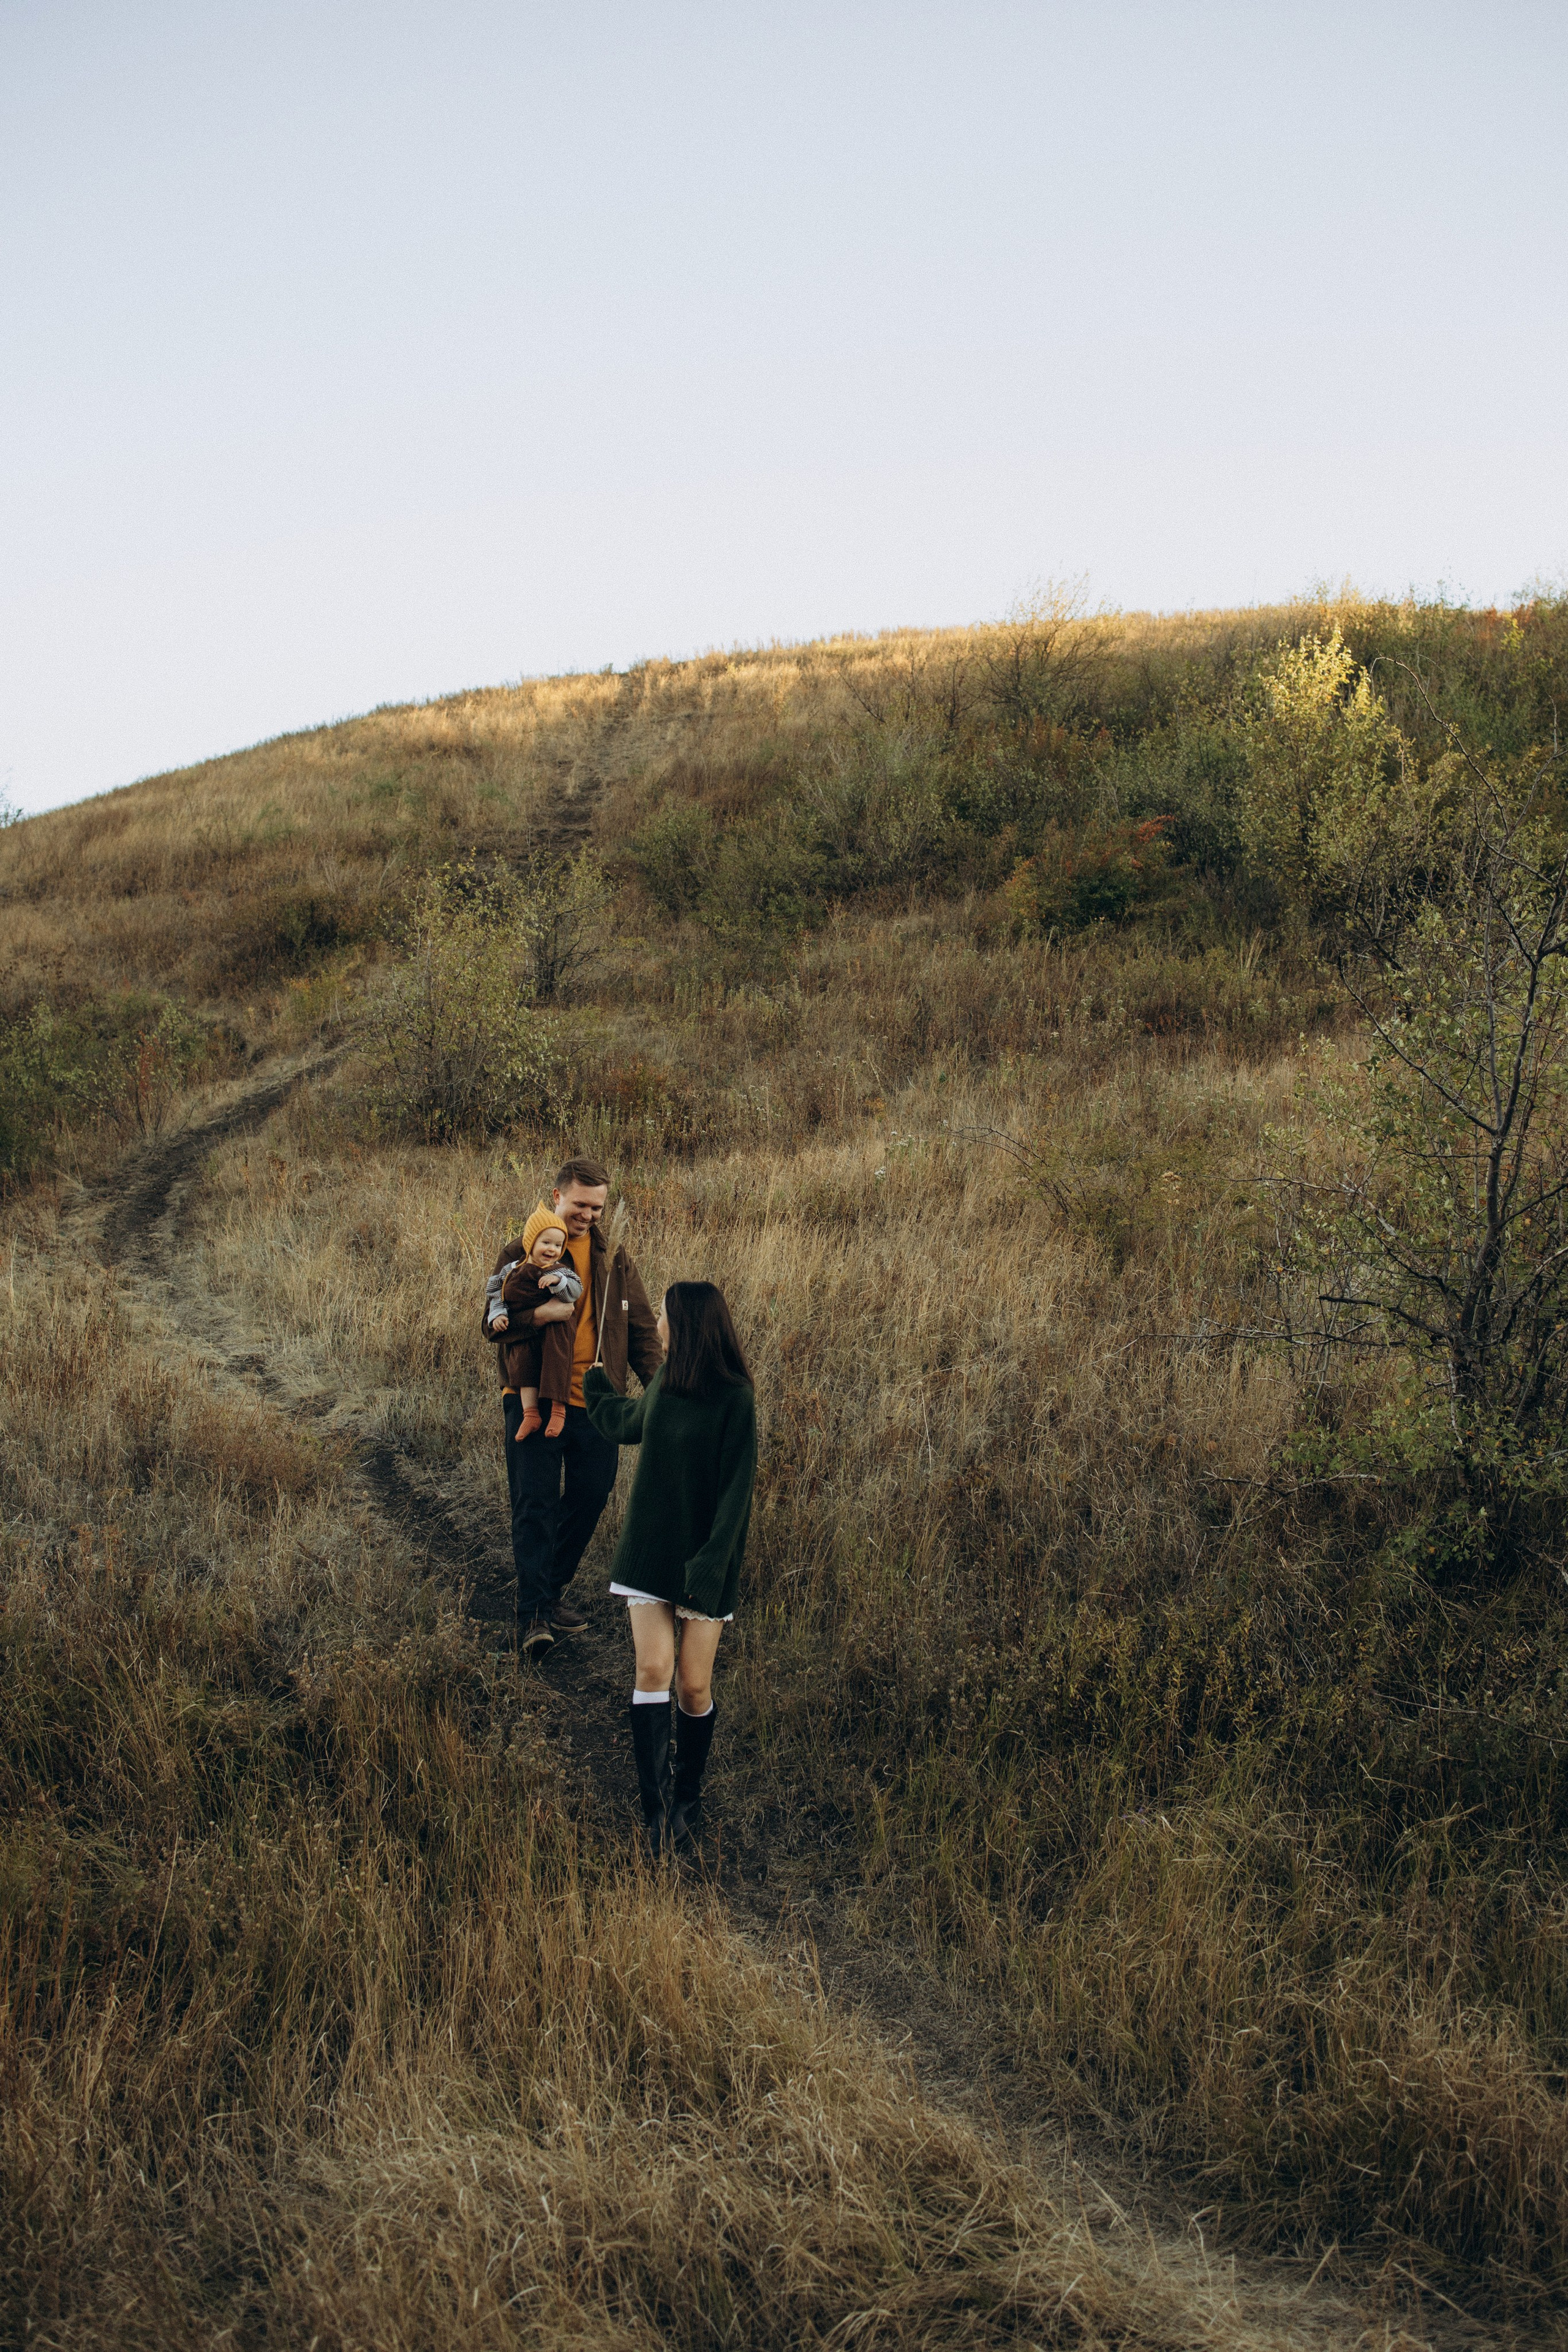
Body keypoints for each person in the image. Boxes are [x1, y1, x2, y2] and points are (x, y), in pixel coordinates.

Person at [585, 1280, 756, 1853]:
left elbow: (738, 1494)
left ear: (685, 1323)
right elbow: (629, 1423)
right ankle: (655, 1809)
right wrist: (595, 1390)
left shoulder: (735, 1397)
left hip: (706, 1561)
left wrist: (710, 1566)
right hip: (648, 1552)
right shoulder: (665, 1381)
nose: (656, 1322)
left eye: (662, 1314)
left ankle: (689, 1796)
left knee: (693, 1682)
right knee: (654, 1672)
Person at [493, 1155, 662, 1656]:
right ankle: (533, 1618)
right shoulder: (521, 1252)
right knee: (535, 1505)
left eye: (597, 1207)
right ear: (557, 1199)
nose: (588, 1215)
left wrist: (664, 1392)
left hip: (597, 1402)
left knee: (591, 1495)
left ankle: (549, 1590)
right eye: (580, 1205)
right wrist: (540, 1314)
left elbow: (644, 1335)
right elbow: (493, 1320)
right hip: (534, 1399)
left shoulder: (615, 1260)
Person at [482, 1207, 582, 1441]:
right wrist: (498, 1314)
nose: (552, 1250)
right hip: (525, 1332)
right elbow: (495, 1291)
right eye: (546, 1243)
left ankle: (558, 1410)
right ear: (530, 1243)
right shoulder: (512, 1268)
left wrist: (558, 1281)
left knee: (557, 1362)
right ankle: (531, 1414)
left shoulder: (561, 1271)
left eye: (558, 1246)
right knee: (523, 1364)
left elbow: (575, 1292)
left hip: (556, 1332)